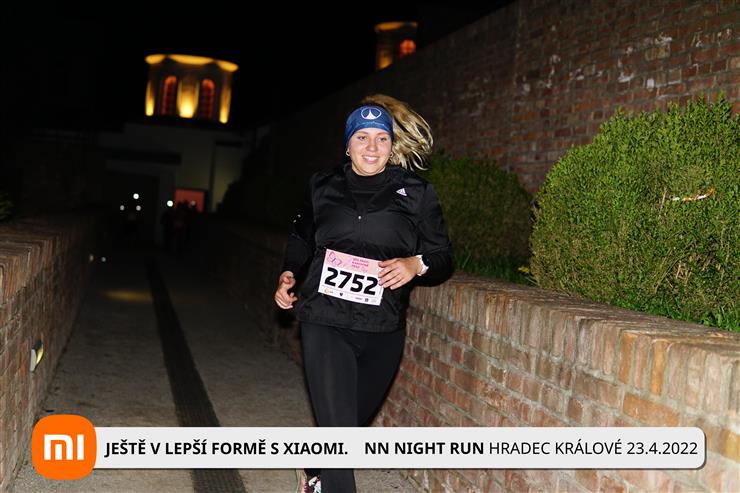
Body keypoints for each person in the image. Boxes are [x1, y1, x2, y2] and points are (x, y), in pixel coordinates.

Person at [274, 94, 454, 493]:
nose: (372, 147)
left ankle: (313, 470)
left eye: (381, 138)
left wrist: (415, 265)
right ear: (347, 145)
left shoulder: (417, 193)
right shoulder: (322, 185)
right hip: (325, 320)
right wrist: (289, 272)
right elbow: (302, 237)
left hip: (383, 327)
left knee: (346, 428)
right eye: (362, 138)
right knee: (340, 436)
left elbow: (443, 257)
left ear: (391, 145)